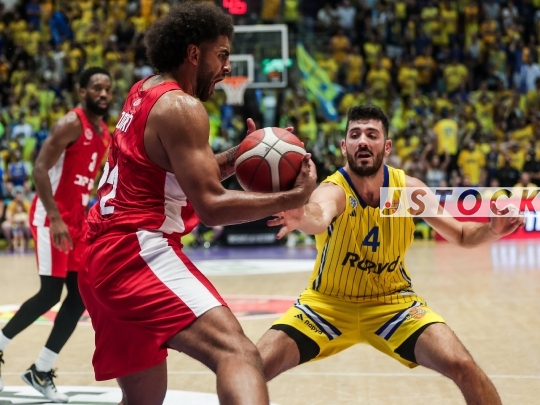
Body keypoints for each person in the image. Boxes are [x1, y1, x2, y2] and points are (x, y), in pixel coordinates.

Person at [78, 4, 316, 405]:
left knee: (143, 400)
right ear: (194, 54)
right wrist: (295, 197)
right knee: (238, 353)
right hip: (134, 251)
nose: (227, 67)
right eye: (221, 55)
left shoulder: (144, 91)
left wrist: (240, 154)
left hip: (100, 252)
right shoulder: (183, 108)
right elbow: (211, 206)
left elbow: (184, 173)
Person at [257, 105, 525, 405]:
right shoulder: (335, 189)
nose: (362, 141)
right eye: (355, 134)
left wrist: (492, 230)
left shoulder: (407, 191)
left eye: (372, 135)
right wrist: (300, 217)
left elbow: (461, 234)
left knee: (463, 365)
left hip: (393, 304)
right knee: (251, 369)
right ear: (344, 146)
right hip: (327, 306)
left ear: (386, 147)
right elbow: (319, 215)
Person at [0, 67, 112, 402]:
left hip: (76, 222)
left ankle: (41, 369)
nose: (103, 94)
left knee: (80, 296)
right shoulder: (71, 123)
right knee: (50, 293)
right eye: (96, 88)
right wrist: (54, 216)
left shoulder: (103, 134)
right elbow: (39, 169)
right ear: (82, 92)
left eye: (107, 89)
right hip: (52, 218)